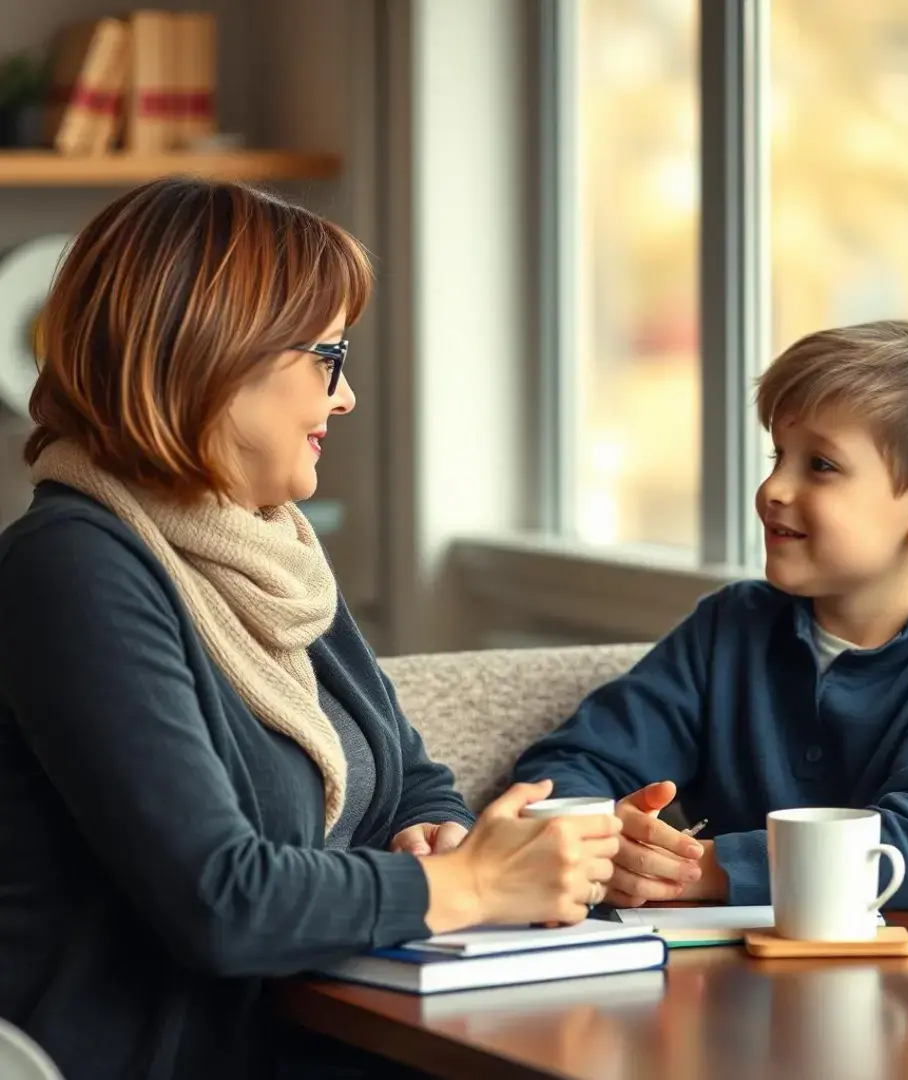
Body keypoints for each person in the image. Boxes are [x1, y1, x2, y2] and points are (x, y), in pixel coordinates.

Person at [0, 177, 620, 1080]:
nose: (346, 397)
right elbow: (220, 900)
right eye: (327, 358)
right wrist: (470, 884)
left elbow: (410, 779)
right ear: (218, 354)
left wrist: (438, 839)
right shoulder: (72, 570)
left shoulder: (267, 553)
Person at [514, 319, 908, 930]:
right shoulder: (729, 627)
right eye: (777, 455)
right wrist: (606, 839)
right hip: (733, 984)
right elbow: (571, 763)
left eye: (820, 464)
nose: (772, 489)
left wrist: (693, 869)